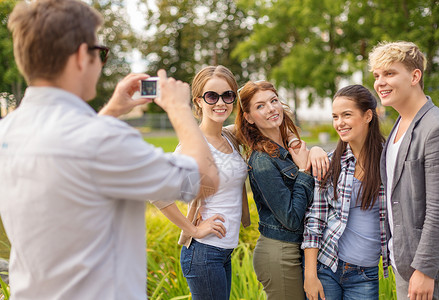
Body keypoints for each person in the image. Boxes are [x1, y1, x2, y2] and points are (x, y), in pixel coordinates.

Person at [0, 0, 219, 299]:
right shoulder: (102, 140)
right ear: (81, 56)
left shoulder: (7, 132)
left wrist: (113, 110)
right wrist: (180, 109)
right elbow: (205, 177)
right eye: (100, 53)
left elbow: (73, 151)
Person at [369, 41, 439, 300]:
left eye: (389, 73)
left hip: (429, 270)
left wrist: (424, 270)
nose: (380, 82)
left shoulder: (437, 128)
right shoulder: (400, 124)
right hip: (404, 261)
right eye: (377, 76)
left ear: (415, 76)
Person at [155, 65, 250, 300]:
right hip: (204, 252)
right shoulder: (192, 146)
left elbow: (265, 123)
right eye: (211, 96)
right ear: (198, 101)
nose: (221, 103)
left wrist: (314, 148)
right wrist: (194, 229)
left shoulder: (228, 136)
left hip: (223, 251)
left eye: (227, 95)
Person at [302, 85, 388, 300]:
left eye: (347, 115)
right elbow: (315, 218)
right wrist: (310, 275)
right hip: (327, 266)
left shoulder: (389, 160)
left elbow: (416, 193)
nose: (339, 123)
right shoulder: (330, 162)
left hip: (365, 273)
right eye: (335, 116)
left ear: (368, 115)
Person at [235, 80, 316, 299]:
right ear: (249, 118)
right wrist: (303, 172)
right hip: (280, 253)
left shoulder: (288, 149)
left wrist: (314, 150)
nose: (271, 108)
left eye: (273, 100)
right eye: (260, 106)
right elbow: (290, 218)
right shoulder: (262, 161)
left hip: (298, 249)